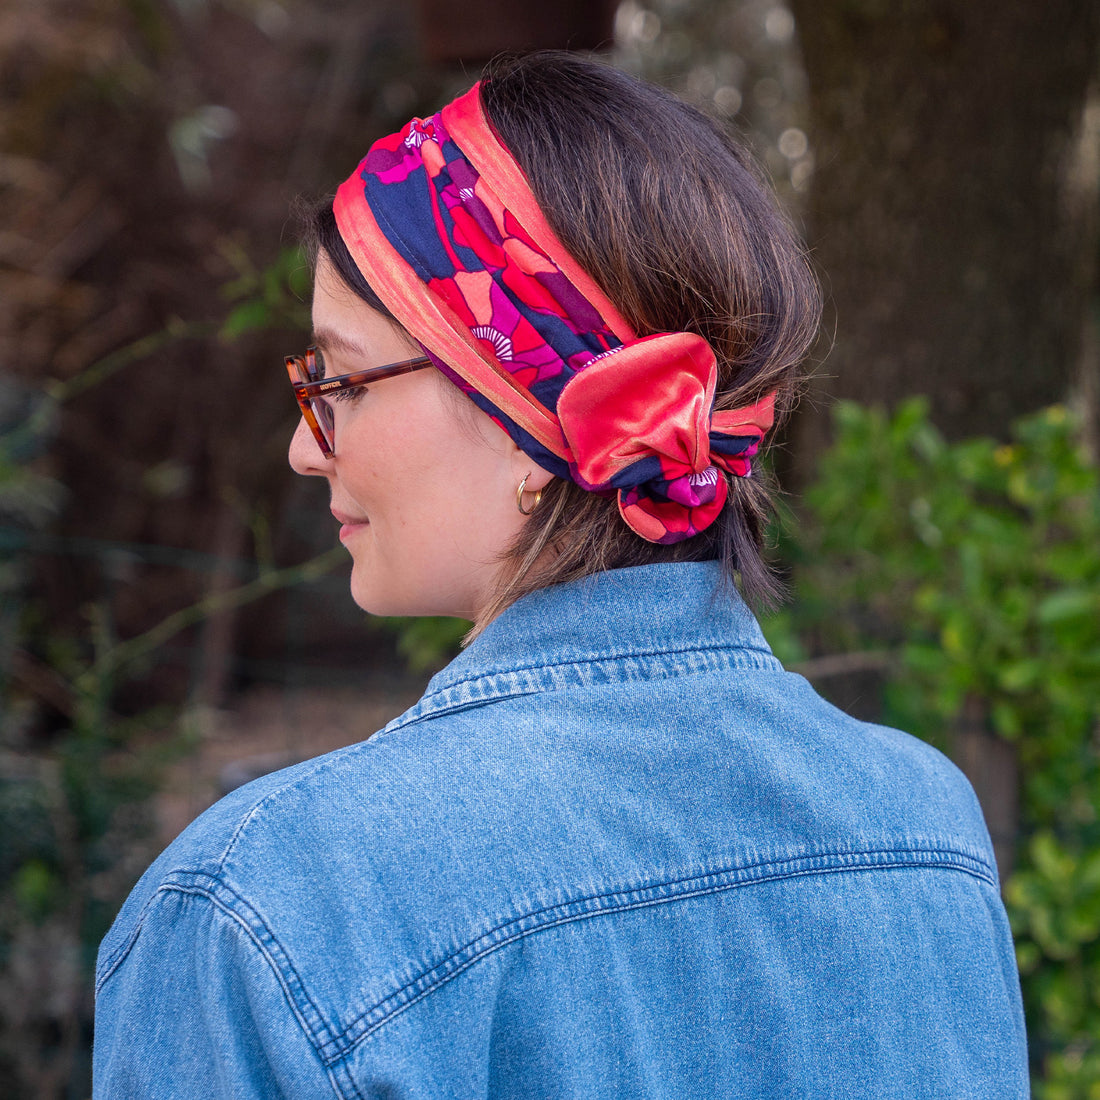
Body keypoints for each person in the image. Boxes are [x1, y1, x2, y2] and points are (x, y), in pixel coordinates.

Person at [93, 51, 1028, 1098]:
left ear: (537, 431)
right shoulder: (924, 829)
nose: (305, 449)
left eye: (339, 380)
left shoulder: (267, 909)